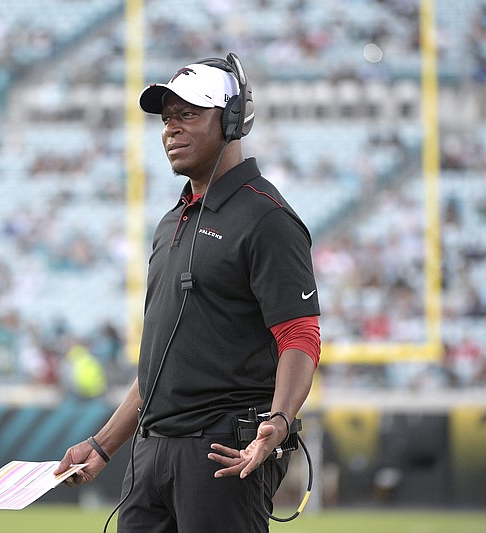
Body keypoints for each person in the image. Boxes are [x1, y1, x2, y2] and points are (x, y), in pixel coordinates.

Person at [55, 53, 321, 532]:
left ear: (233, 120)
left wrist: (279, 422)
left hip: (221, 451)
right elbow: (161, 362)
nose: (171, 129)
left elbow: (299, 335)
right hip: (151, 451)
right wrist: (103, 446)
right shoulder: (170, 223)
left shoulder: (267, 219)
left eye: (189, 114)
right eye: (167, 118)